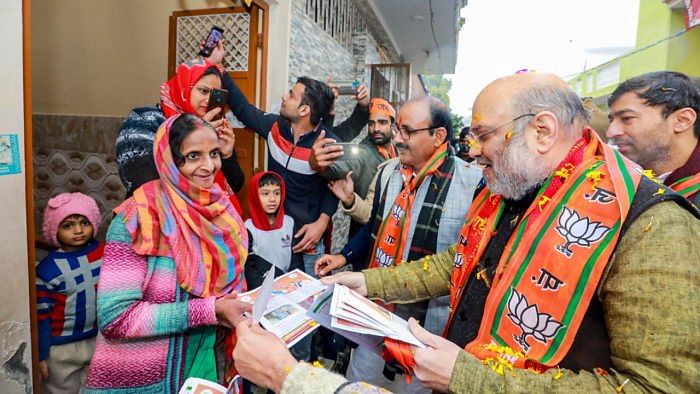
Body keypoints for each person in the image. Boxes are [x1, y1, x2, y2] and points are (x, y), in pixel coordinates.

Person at [232, 72, 700, 393]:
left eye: (484, 135)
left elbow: (658, 385)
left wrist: (469, 378)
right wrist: (366, 282)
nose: (472, 151)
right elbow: (456, 263)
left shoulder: (652, 224)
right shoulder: (518, 190)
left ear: (540, 131)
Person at [315, 96, 482, 393]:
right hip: (376, 318)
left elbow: (463, 263)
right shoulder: (389, 173)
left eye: (407, 131)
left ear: (438, 135)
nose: (398, 138)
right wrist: (343, 256)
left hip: (428, 333)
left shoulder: (473, 184)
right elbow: (375, 227)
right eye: (398, 129)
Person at [85, 114, 252, 393]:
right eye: (193, 156)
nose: (209, 166)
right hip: (142, 383)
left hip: (203, 367)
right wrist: (210, 310)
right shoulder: (137, 220)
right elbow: (116, 318)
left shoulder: (220, 212)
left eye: (214, 153)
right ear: (169, 161)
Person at [116, 58, 245, 210]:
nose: (208, 100)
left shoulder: (210, 129)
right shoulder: (145, 118)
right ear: (183, 87)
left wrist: (227, 155)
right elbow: (138, 176)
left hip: (203, 222)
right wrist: (194, 135)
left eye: (215, 94)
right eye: (203, 91)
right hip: (153, 216)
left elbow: (234, 186)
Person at [36, 192, 103, 394]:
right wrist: (41, 355)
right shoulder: (47, 270)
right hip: (60, 349)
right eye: (68, 226)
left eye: (84, 222)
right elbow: (41, 316)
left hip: (99, 339)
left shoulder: (105, 253)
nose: (78, 230)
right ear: (55, 230)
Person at [607, 71, 700, 204]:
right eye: (611, 120)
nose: (611, 132)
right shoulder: (618, 180)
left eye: (627, 118)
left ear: (682, 120)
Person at [317, 98, 398, 239]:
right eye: (371, 123)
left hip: (390, 234)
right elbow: (330, 168)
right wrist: (316, 161)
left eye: (382, 122)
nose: (376, 128)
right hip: (364, 238)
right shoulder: (362, 154)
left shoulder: (396, 151)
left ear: (393, 125)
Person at [244, 171, 293, 288]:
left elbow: (296, 260)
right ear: (255, 196)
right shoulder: (247, 228)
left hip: (288, 284)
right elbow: (249, 269)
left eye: (277, 193)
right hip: (262, 287)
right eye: (265, 194)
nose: (272, 199)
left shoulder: (289, 223)